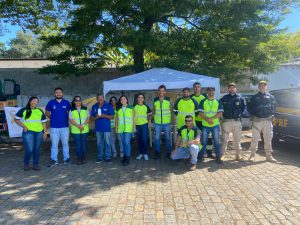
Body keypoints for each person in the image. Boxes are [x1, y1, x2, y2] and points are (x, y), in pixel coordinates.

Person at [247, 80, 277, 162]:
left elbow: (274, 107)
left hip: (268, 120)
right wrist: (255, 112)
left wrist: (272, 114)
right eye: (261, 85)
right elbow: (249, 108)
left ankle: (269, 155)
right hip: (257, 121)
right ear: (258, 87)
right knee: (255, 138)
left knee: (268, 138)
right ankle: (252, 155)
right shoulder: (253, 97)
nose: (262, 87)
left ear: (266, 87)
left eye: (264, 85)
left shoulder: (271, 97)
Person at [14, 97, 47, 171]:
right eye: (34, 100)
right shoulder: (24, 110)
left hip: (39, 132)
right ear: (30, 101)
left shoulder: (39, 111)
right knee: (29, 149)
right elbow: (16, 119)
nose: (35, 102)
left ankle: (36, 165)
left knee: (37, 149)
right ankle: (26, 164)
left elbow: (44, 122)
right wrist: (24, 127)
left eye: (37, 101)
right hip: (28, 132)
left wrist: (45, 132)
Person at [46, 87, 71, 167]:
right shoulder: (51, 102)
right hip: (54, 127)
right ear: (54, 94)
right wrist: (52, 118)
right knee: (54, 144)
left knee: (65, 144)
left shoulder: (66, 102)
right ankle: (54, 159)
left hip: (65, 127)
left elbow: (70, 113)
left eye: (60, 92)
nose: (58, 94)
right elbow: (47, 112)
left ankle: (66, 159)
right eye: (57, 92)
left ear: (62, 93)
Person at [220, 83, 245, 161]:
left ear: (236, 89)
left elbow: (243, 109)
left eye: (233, 88)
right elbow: (220, 109)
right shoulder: (223, 98)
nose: (232, 89)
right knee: (224, 139)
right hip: (226, 121)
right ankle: (222, 155)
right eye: (230, 88)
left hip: (236, 121)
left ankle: (238, 155)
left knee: (237, 139)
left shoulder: (240, 98)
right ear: (228, 89)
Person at [198, 87, 223, 164]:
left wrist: (210, 119)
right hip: (205, 125)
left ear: (214, 92)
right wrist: (207, 119)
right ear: (207, 92)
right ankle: (201, 157)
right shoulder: (203, 101)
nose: (211, 92)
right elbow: (200, 113)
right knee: (204, 142)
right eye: (209, 91)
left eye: (212, 91)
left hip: (215, 125)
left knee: (216, 142)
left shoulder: (218, 101)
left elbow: (220, 113)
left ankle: (218, 157)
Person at [91, 94, 114, 163]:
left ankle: (108, 157)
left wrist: (104, 115)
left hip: (106, 128)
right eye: (99, 98)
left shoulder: (108, 105)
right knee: (99, 143)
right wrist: (96, 117)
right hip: (98, 128)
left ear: (104, 98)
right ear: (96, 99)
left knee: (107, 143)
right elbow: (92, 118)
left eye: (101, 98)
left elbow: (112, 116)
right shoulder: (94, 106)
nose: (100, 99)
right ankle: (100, 157)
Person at [69, 96, 90, 165]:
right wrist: (78, 126)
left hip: (84, 130)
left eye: (79, 100)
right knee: (78, 145)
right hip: (76, 130)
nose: (78, 102)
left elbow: (88, 118)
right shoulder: (71, 110)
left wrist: (83, 125)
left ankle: (83, 158)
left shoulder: (86, 109)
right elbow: (71, 120)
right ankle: (79, 158)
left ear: (81, 102)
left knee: (83, 144)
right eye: (76, 101)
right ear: (74, 102)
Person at [153, 85, 172, 159]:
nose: (161, 92)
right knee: (157, 138)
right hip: (157, 122)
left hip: (166, 122)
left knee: (168, 138)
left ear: (165, 92)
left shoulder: (169, 99)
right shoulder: (155, 100)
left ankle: (168, 153)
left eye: (163, 91)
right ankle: (157, 153)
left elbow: (171, 110)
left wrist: (172, 121)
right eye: (160, 91)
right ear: (158, 91)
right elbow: (154, 110)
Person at [115, 95, 135, 166]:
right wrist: (116, 128)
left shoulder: (131, 107)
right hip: (121, 129)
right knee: (123, 143)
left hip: (128, 128)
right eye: (121, 99)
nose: (123, 100)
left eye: (124, 99)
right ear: (120, 101)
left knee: (127, 142)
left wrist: (134, 127)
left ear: (126, 100)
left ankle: (127, 158)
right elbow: (116, 119)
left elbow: (133, 118)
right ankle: (125, 157)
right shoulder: (119, 109)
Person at [134, 93, 152, 160]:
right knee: (139, 140)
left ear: (143, 99)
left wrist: (149, 122)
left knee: (144, 140)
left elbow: (150, 115)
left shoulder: (146, 106)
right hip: (137, 125)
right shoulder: (134, 107)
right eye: (139, 97)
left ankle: (145, 153)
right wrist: (134, 127)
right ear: (137, 99)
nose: (140, 98)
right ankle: (141, 153)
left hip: (144, 125)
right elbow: (133, 117)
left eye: (142, 97)